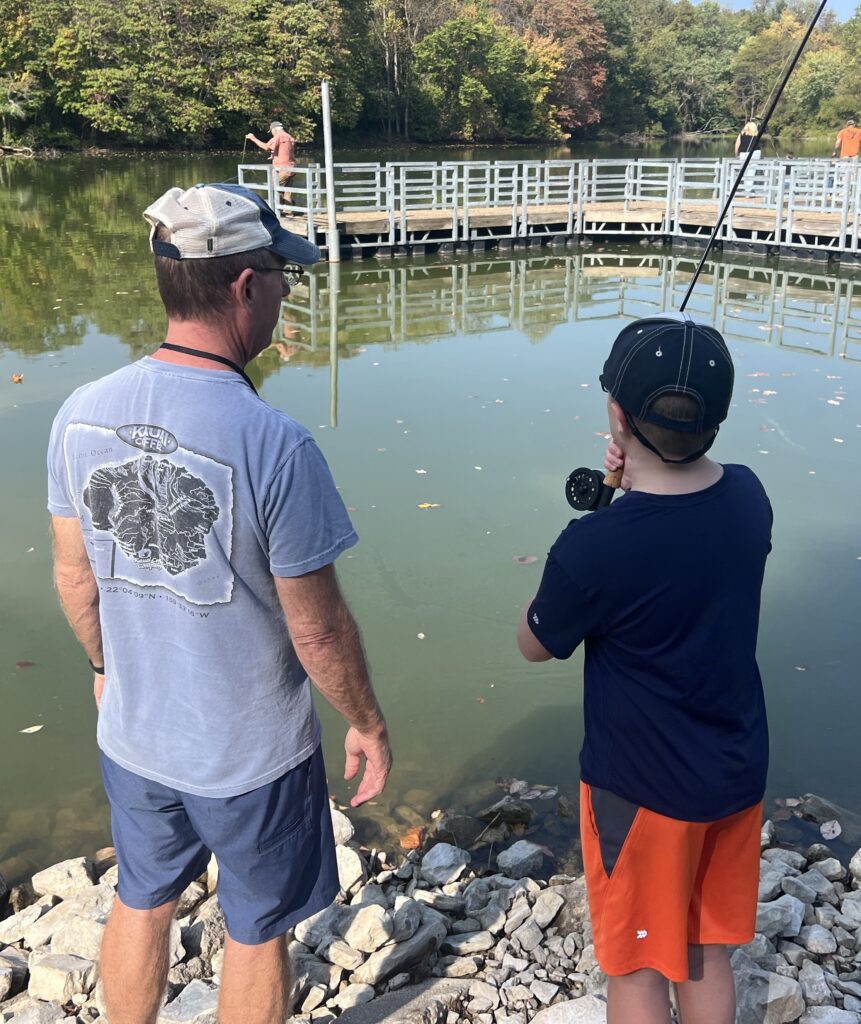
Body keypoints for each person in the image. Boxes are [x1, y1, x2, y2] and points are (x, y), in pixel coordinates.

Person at [47, 182, 392, 1024]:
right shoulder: (274, 442)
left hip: (134, 735)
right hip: (250, 755)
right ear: (245, 287)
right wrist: (368, 723)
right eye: (281, 275)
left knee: (141, 897)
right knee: (255, 929)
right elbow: (316, 628)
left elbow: (74, 577)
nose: (285, 291)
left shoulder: (78, 414)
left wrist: (102, 665)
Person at [517, 314, 772, 1024]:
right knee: (704, 951)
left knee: (634, 970)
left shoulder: (593, 548)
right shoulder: (750, 499)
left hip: (642, 795)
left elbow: (534, 643)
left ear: (616, 414)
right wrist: (632, 494)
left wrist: (602, 519)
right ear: (716, 421)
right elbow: (685, 535)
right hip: (734, 776)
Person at [247, 121, 297, 203]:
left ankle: (279, 211)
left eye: (272, 132)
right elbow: (286, 151)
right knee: (286, 192)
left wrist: (253, 138)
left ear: (274, 129)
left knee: (275, 189)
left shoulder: (278, 136)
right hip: (292, 169)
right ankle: (290, 210)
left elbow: (266, 147)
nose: (272, 134)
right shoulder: (289, 137)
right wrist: (274, 155)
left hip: (282, 170)